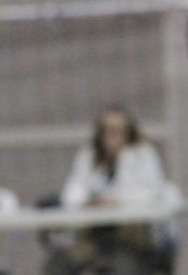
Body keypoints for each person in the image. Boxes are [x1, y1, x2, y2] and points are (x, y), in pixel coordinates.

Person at [46, 107, 177, 275]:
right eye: (108, 131)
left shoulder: (142, 155)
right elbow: (72, 194)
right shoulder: (88, 156)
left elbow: (153, 194)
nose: (113, 136)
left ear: (129, 132)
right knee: (58, 264)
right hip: (92, 234)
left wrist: (116, 200)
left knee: (123, 266)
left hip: (130, 237)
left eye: (119, 131)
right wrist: (89, 201)